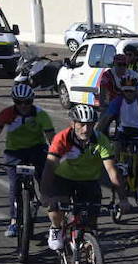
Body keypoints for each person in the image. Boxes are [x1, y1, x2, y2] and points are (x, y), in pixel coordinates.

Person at [40, 104, 131, 251]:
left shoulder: (101, 140)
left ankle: (91, 259)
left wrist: (123, 199)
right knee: (56, 207)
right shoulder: (61, 139)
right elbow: (49, 168)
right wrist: (45, 195)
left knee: (90, 224)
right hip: (63, 178)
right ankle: (56, 229)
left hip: (89, 180)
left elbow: (112, 171)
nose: (86, 129)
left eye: (90, 125)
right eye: (82, 125)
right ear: (73, 123)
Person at [0, 83, 56, 236]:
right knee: (14, 185)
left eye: (27, 102)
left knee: (45, 180)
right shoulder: (6, 113)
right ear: (14, 101)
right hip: (14, 152)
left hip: (37, 149)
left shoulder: (41, 115)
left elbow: (52, 140)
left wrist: (56, 159)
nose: (23, 106)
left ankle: (54, 218)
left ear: (32, 101)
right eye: (19, 102)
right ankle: (14, 221)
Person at [96, 74, 138, 204]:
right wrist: (95, 134)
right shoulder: (118, 100)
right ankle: (119, 177)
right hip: (125, 131)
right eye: (125, 91)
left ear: (135, 90)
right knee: (115, 155)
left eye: (131, 91)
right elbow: (106, 118)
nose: (128, 94)